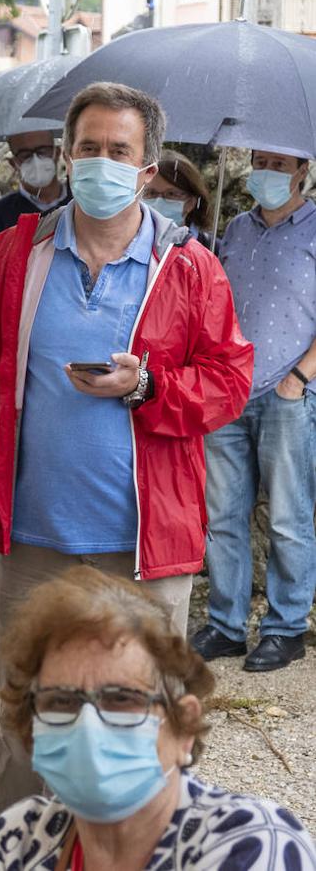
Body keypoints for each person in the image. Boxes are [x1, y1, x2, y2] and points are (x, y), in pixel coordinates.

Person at [0, 82, 254, 838]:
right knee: (28, 721)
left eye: (119, 151)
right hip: (34, 538)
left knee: (144, 725)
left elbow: (230, 381)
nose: (101, 162)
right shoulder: (16, 254)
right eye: (89, 148)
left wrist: (150, 386)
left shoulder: (189, 267)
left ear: (149, 166)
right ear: (68, 156)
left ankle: (141, 854)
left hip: (146, 543)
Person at [0, 569, 316, 870]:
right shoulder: (17, 840)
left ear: (183, 724)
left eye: (122, 699)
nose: (88, 726)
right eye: (61, 702)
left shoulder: (252, 845)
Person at [193, 148, 316, 673]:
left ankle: (286, 629)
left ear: (303, 172)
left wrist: (300, 379)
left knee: (289, 517)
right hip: (228, 392)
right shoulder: (236, 230)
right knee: (223, 517)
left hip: (287, 393)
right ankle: (225, 625)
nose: (266, 172)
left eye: (279, 164)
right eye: (260, 160)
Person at [0, 130, 70, 293]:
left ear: (56, 153)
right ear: (13, 163)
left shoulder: (80, 203)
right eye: (25, 155)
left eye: (42, 151)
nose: (35, 160)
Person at [142, 149, 214, 249]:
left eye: (171, 194)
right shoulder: (122, 246)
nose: (159, 201)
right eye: (151, 193)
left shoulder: (212, 250)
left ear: (190, 203)